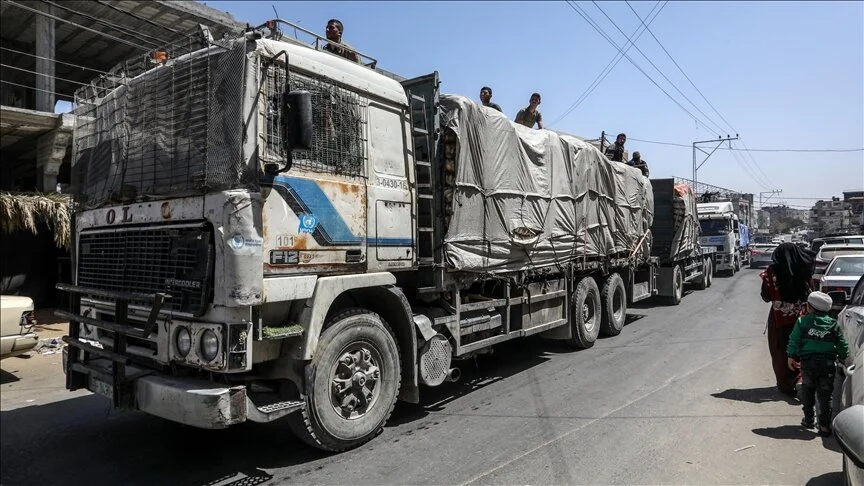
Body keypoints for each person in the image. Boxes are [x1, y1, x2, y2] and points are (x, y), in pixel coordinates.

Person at [786, 291, 849, 436]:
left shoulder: (802, 322)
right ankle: (825, 426)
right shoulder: (833, 324)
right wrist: (843, 357)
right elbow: (842, 344)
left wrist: (790, 356)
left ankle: (808, 420)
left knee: (808, 390)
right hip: (827, 364)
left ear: (809, 307)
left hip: (807, 363)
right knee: (825, 395)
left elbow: (794, 340)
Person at [760, 242, 815, 397]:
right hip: (801, 318)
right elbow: (811, 292)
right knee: (801, 348)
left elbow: (765, 296)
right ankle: (800, 379)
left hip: (779, 321)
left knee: (780, 351)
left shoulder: (771, 272)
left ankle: (786, 384)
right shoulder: (803, 269)